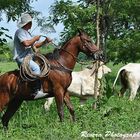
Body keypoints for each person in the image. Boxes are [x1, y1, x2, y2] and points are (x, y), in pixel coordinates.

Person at [13, 13, 52, 98]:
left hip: (29, 57)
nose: (32, 24)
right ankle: (35, 91)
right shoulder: (20, 31)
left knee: (45, 64)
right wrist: (35, 38)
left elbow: (34, 45)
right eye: (31, 22)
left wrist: (45, 41)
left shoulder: (27, 33)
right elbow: (26, 44)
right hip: (22, 58)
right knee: (36, 68)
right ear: (28, 23)